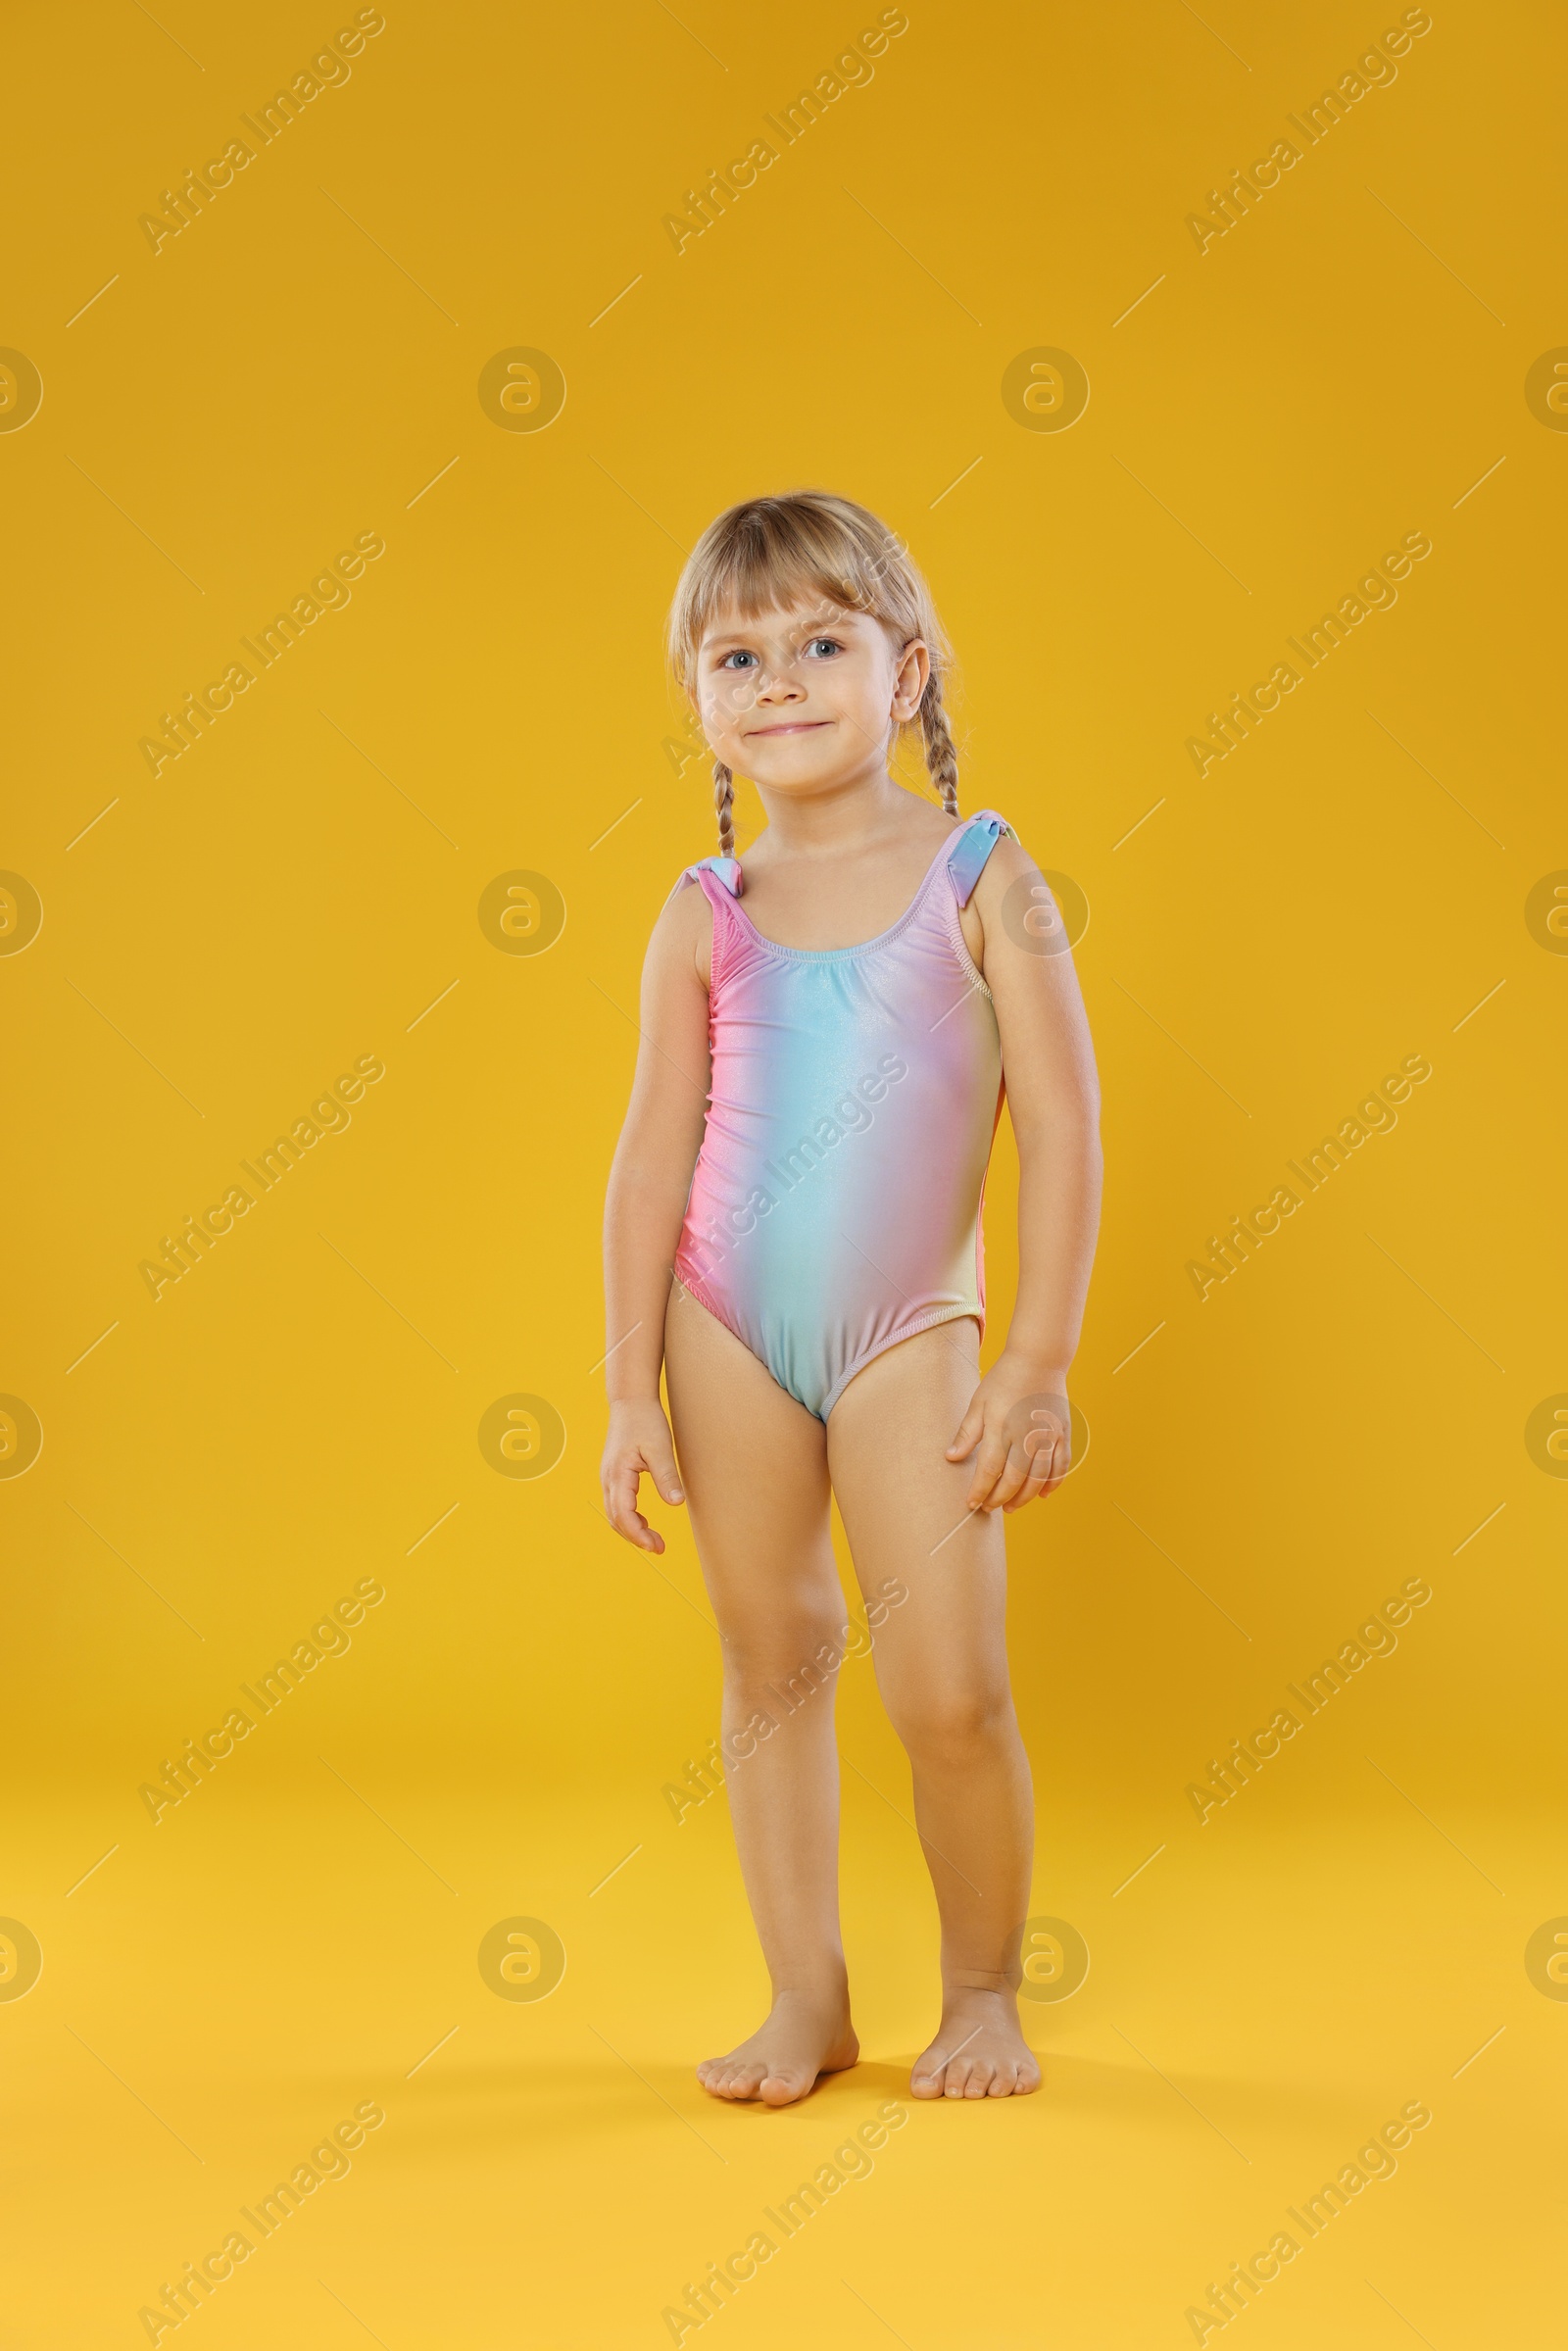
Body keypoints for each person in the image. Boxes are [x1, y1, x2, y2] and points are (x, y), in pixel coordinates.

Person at [600, 491, 1101, 2104]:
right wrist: (625, 1387)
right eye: (738, 654)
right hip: (723, 1324)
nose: (783, 678)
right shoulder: (703, 910)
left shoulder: (984, 873)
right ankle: (805, 1999)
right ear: (696, 694)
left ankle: (979, 1992)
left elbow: (1065, 1126)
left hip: (914, 1336)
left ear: (912, 672)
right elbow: (647, 1162)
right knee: (770, 1655)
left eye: (824, 640)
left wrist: (1034, 1356)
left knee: (949, 1688)